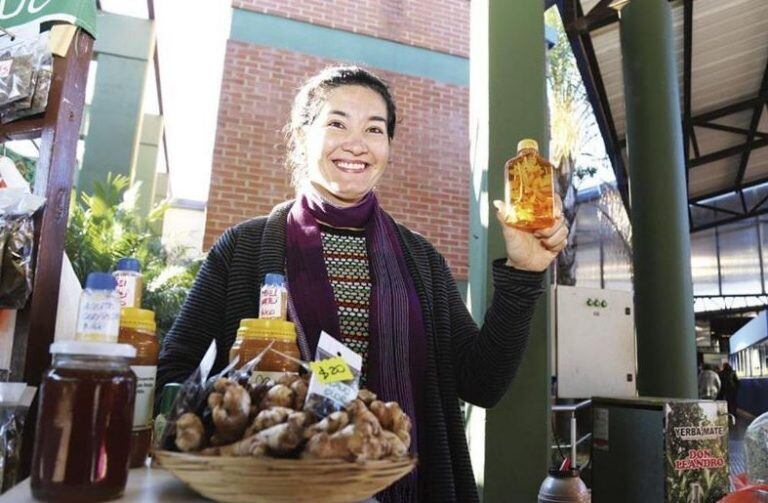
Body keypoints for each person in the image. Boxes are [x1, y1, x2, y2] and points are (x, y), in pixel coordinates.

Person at [156, 66, 568, 502]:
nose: (356, 143)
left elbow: (482, 383)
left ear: (388, 145)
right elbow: (176, 375)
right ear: (301, 135)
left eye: (375, 129)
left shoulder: (422, 260)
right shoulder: (243, 248)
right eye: (336, 123)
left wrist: (524, 273)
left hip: (410, 490)